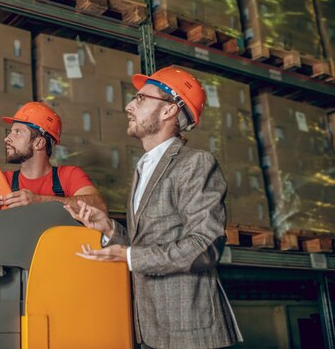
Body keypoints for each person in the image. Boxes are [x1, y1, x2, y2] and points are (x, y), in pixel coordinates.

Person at [65, 66, 242, 349]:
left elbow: (205, 245)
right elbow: (146, 242)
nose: (128, 106)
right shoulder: (144, 168)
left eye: (140, 98)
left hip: (188, 331)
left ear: (169, 111)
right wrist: (109, 228)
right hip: (150, 328)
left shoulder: (195, 163)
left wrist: (130, 257)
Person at [0, 101, 106, 214]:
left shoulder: (69, 175)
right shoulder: (3, 180)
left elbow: (99, 207)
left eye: (18, 132)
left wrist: (40, 200)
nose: (7, 138)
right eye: (11, 132)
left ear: (39, 143)